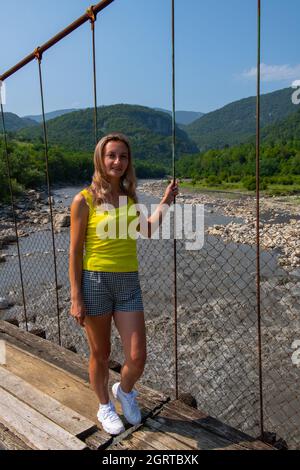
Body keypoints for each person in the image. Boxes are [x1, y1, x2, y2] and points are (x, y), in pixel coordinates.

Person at [69, 132, 179, 435]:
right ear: (101, 160)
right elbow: (75, 251)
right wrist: (76, 296)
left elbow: (148, 230)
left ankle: (125, 391)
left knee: (136, 356)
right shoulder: (84, 200)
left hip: (128, 282)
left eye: (123, 156)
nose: (117, 161)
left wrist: (166, 202)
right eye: (111, 155)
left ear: (128, 162)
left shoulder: (130, 198)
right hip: (95, 282)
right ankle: (104, 405)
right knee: (100, 354)